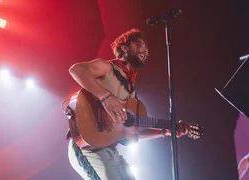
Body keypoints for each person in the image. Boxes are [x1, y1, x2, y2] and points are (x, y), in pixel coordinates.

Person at [67, 28, 188, 180]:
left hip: (109, 150)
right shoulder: (108, 68)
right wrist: (105, 96)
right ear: (124, 47)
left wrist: (165, 131)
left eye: (146, 48)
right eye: (139, 45)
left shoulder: (131, 94)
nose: (145, 50)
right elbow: (76, 69)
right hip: (88, 147)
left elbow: (130, 133)